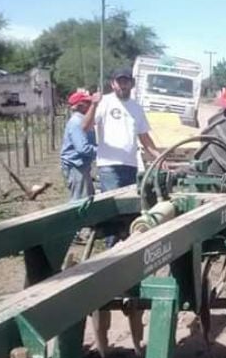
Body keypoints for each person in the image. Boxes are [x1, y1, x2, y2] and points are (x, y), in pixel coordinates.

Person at [83, 67, 159, 248]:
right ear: (112, 84)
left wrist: (159, 157)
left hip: (131, 166)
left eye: (126, 81)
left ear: (131, 84)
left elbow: (145, 138)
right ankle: (113, 251)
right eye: (119, 81)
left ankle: (127, 248)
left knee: (130, 211)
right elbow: (85, 127)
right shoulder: (104, 102)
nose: (123, 85)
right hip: (109, 166)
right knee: (114, 211)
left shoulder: (136, 108)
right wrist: (93, 104)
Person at [60, 89, 98, 201]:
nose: (91, 106)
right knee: (81, 201)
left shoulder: (81, 121)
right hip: (76, 167)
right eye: (88, 103)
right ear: (81, 106)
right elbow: (83, 148)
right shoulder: (77, 122)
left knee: (88, 197)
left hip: (80, 166)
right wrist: (102, 151)